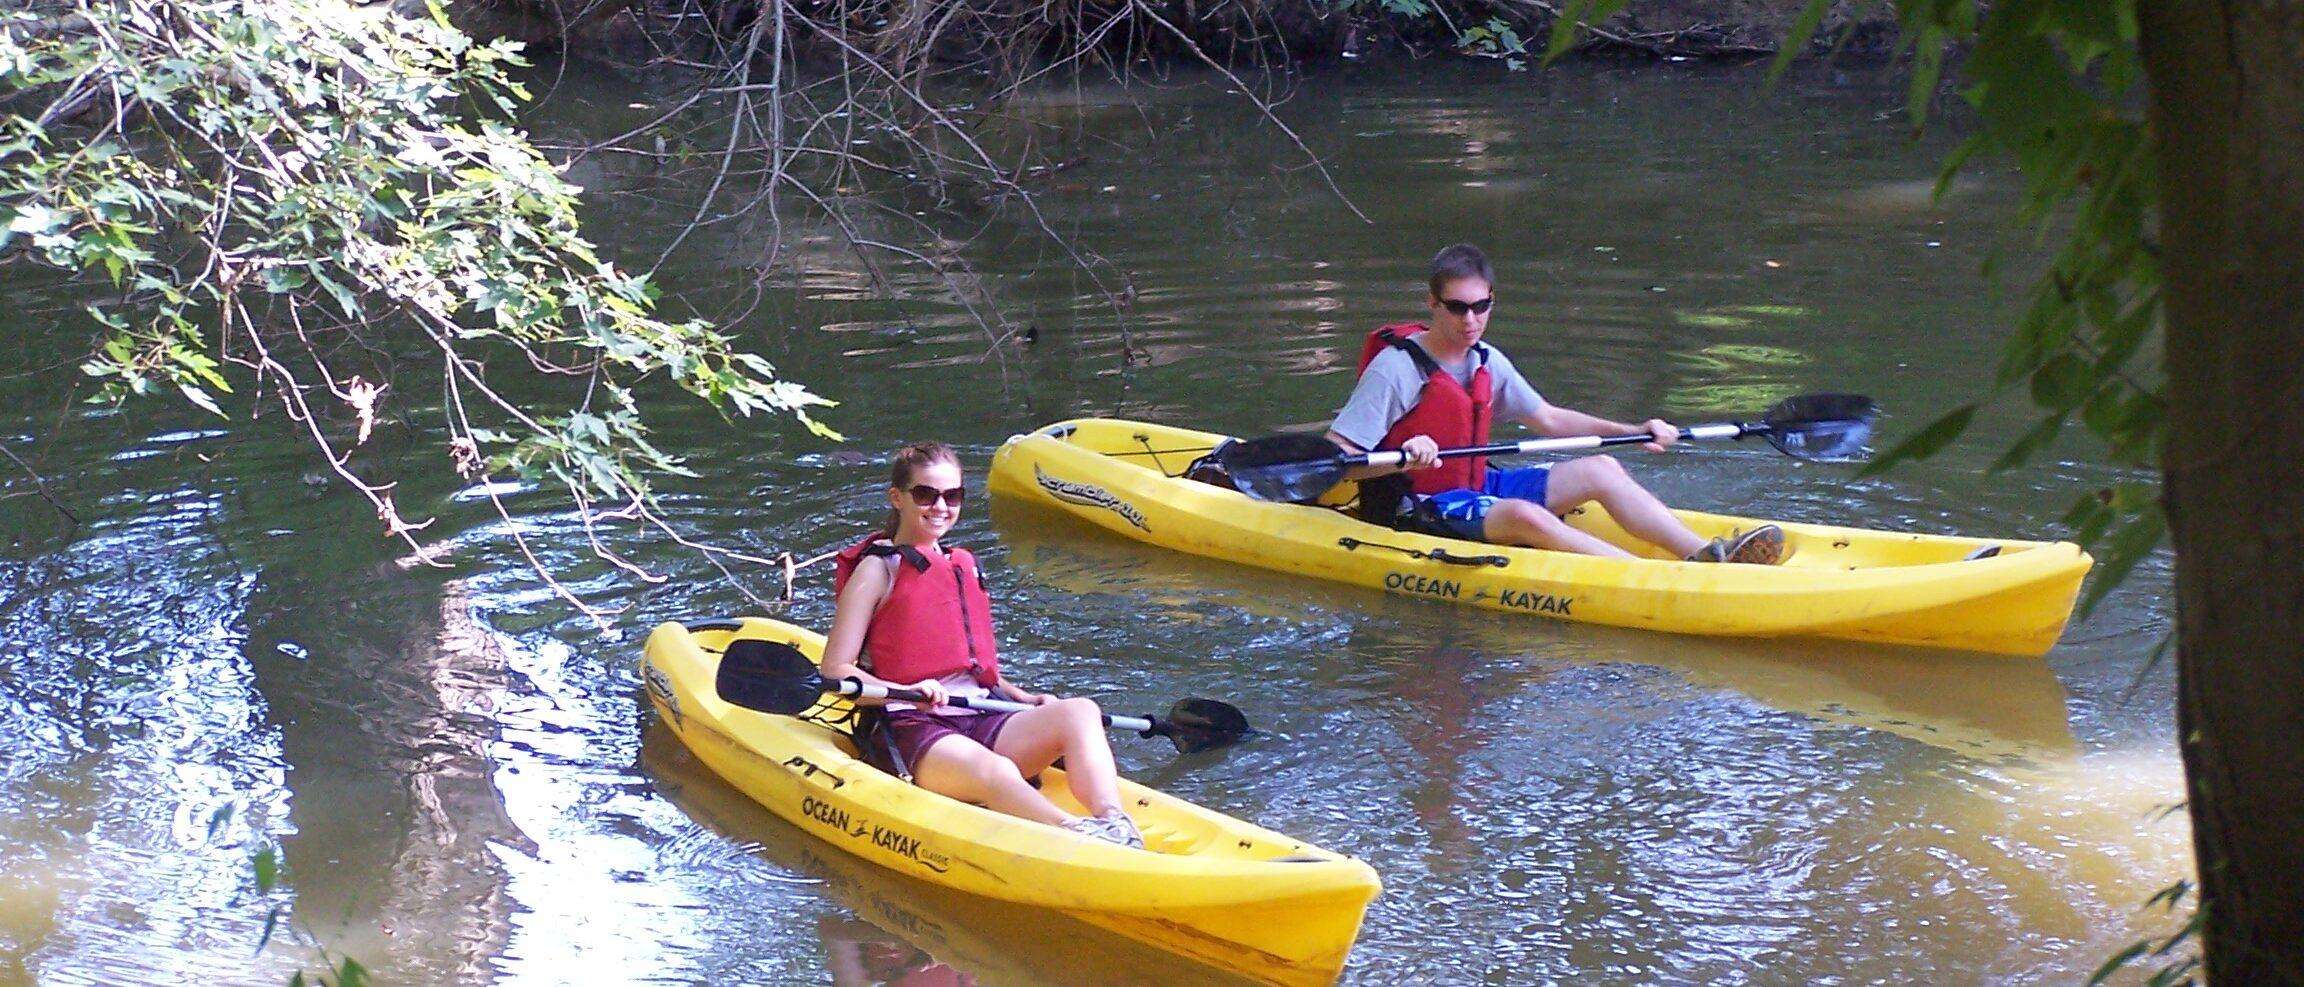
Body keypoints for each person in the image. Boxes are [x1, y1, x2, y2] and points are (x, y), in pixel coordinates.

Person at [1326, 243, 1784, 564]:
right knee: (1524, 515)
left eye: (1481, 306)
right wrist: (1403, 458)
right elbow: (1336, 461)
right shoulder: (1396, 369)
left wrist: (1634, 431)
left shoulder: (1486, 360)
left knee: (1602, 469)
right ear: (1432, 303)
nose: (1471, 319)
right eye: (1458, 307)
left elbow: (1547, 418)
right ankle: (1653, 577)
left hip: (1476, 487)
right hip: (1416, 504)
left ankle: (1703, 554)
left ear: (1491, 301)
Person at [820, 442, 1144, 848]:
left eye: (952, 495)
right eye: (926, 494)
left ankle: (1114, 822)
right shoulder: (876, 570)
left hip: (980, 714)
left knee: (1080, 711)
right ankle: (1080, 836)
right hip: (912, 725)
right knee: (999, 770)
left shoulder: (960, 563)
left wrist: (1020, 696)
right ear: (897, 498)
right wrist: (907, 691)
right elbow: (835, 670)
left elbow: (968, 665)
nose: (941, 506)